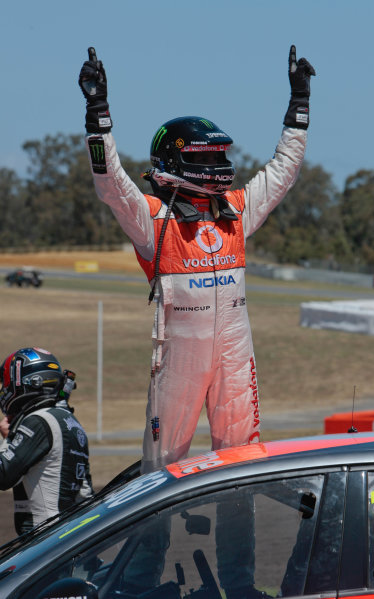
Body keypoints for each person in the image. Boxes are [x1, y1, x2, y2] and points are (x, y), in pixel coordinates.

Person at [78, 45, 315, 476]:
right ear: (173, 159)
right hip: (177, 360)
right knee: (161, 470)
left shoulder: (237, 210)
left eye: (219, 155)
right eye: (204, 157)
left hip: (236, 355)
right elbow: (110, 183)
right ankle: (151, 546)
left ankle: (240, 547)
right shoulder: (152, 217)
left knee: (243, 465)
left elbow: (284, 172)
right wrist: (99, 114)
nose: (217, 165)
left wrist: (298, 106)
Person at [0, 347, 93, 535]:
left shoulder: (39, 421)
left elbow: (3, 474)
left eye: (6, 383)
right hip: (70, 533)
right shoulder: (68, 420)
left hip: (46, 539)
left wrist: (9, 438)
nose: (4, 390)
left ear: (22, 382)